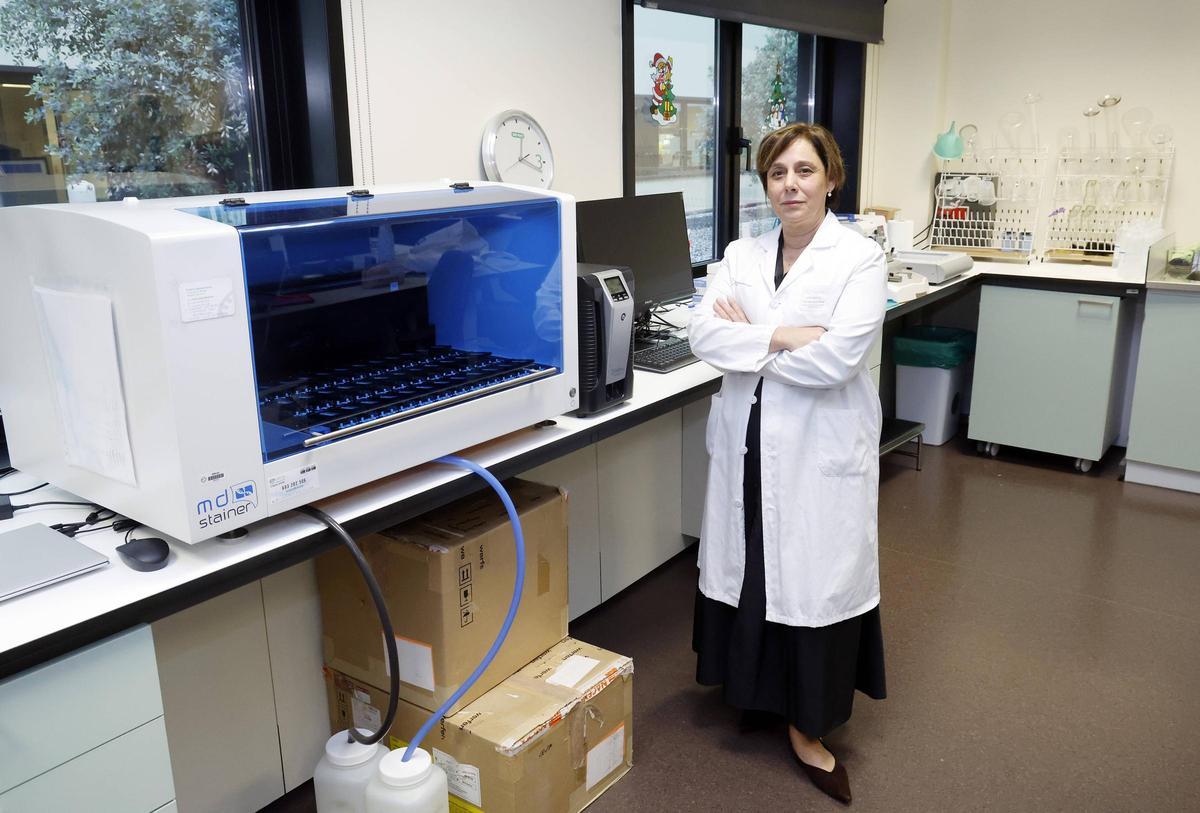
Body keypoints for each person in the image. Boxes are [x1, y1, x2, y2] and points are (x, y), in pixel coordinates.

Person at [688, 122, 887, 806]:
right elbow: (700, 332)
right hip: (748, 440)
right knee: (753, 565)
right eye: (777, 173)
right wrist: (778, 332)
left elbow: (839, 358)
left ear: (831, 178)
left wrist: (747, 334)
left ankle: (808, 726)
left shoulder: (858, 258)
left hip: (818, 449)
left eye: (805, 171)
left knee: (810, 575)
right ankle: (754, 693)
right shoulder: (741, 252)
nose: (790, 184)